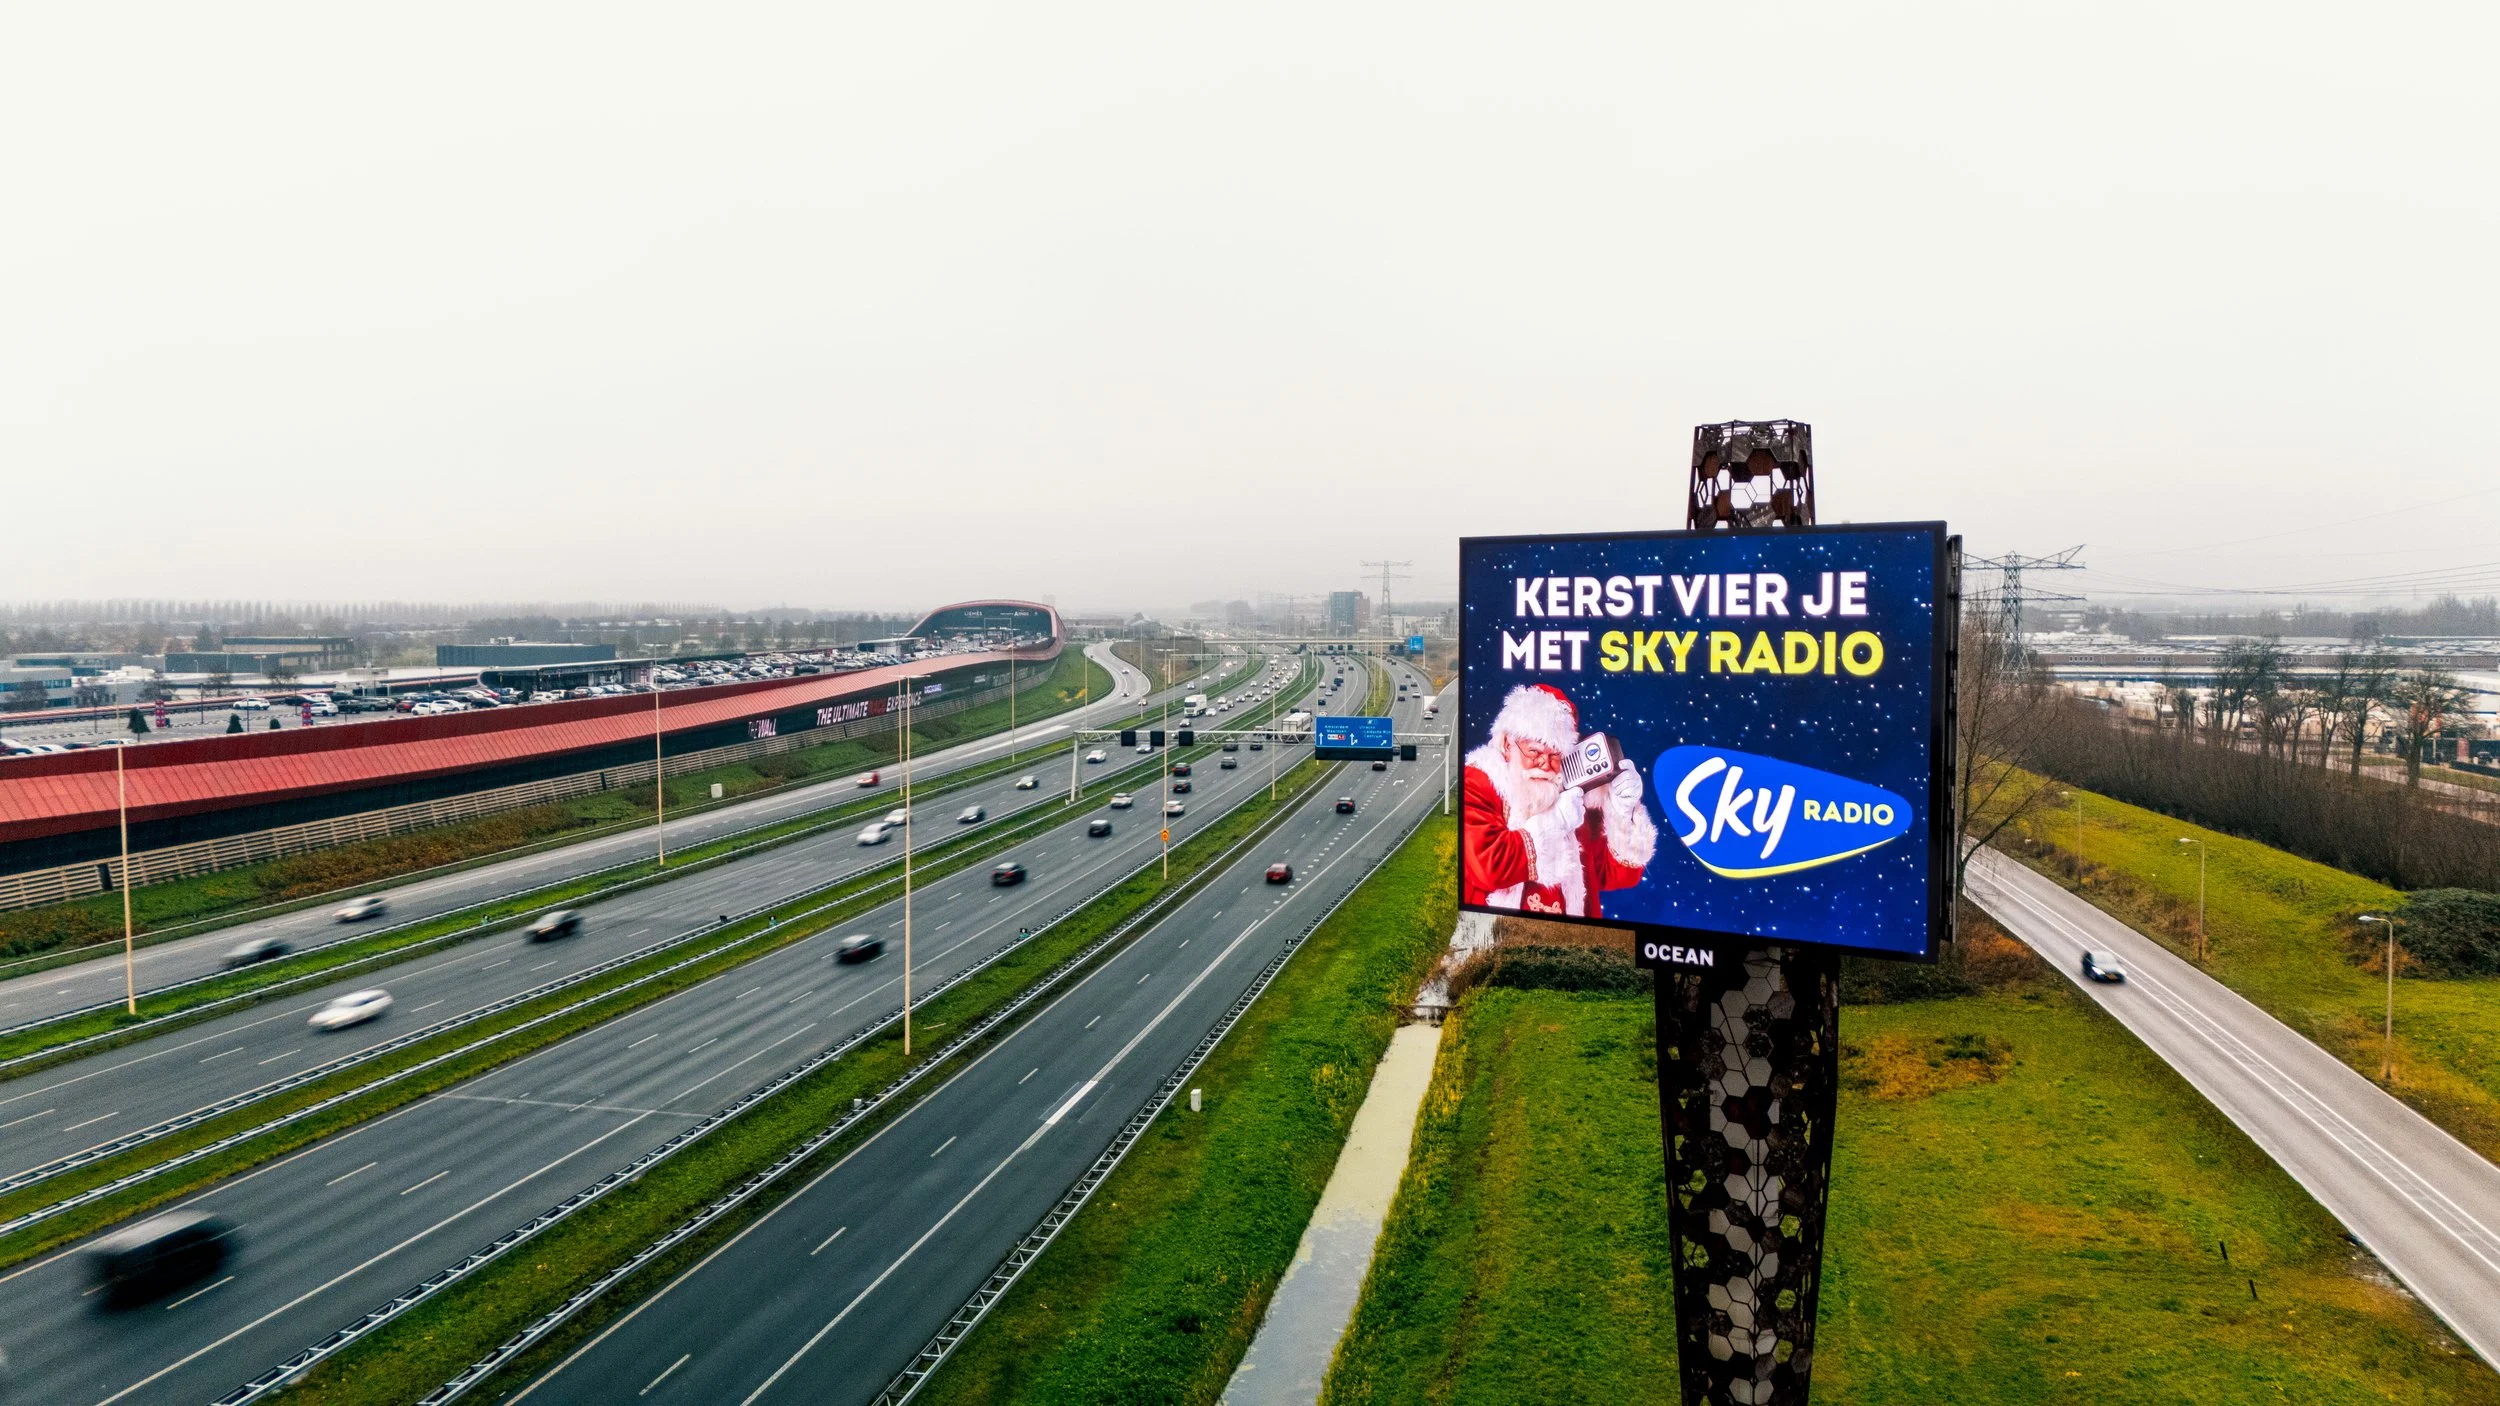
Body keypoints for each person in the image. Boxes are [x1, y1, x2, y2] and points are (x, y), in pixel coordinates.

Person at [1461, 682, 1654, 918]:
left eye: (1554, 755)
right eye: (1534, 752)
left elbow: (1614, 875)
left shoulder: (1573, 799)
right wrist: (1554, 822)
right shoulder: (1477, 782)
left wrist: (1622, 811)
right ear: (1506, 744)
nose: (1544, 763)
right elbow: (1489, 866)